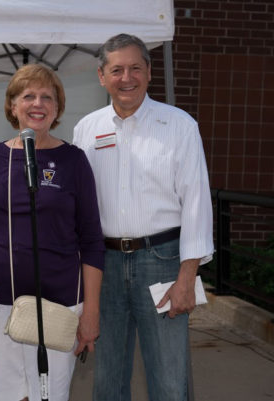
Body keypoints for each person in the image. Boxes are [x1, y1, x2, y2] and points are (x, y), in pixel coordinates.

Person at [73, 34, 214, 401]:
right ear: (101, 76)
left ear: (150, 73)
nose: (127, 78)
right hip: (104, 264)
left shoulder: (179, 125)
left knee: (168, 380)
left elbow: (196, 202)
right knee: (107, 381)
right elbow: (79, 207)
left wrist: (187, 276)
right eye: (117, 70)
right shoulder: (86, 130)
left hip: (162, 262)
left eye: (136, 68)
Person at [0, 64, 105, 401]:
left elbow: (92, 241)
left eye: (47, 97)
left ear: (58, 108)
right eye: (28, 96)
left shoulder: (73, 161)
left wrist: (91, 311)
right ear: (12, 105)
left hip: (57, 307)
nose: (38, 104)